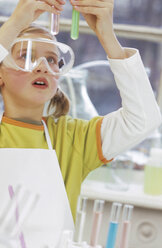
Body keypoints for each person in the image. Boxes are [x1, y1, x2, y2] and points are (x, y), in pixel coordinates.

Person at [0, 0, 161, 247]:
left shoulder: (73, 138)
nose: (43, 67)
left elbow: (143, 119)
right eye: (27, 55)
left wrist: (107, 37)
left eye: (52, 60)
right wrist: (16, 22)